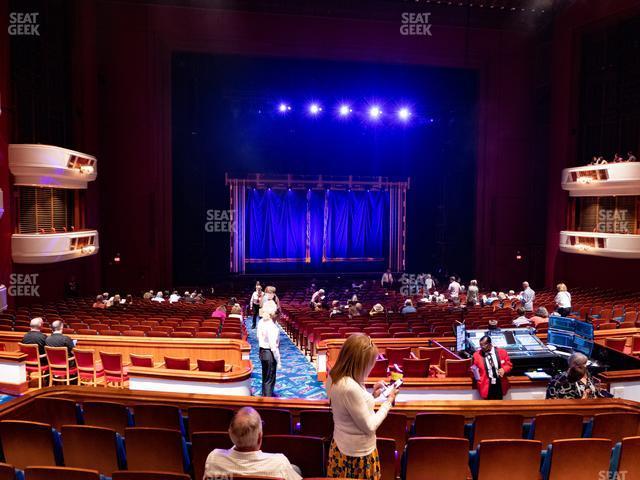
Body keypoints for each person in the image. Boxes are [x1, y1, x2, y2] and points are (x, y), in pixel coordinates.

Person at [326, 334, 397, 480]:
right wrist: (388, 401)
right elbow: (370, 426)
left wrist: (373, 395)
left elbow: (351, 407)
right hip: (357, 454)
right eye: (370, 363)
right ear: (360, 363)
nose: (371, 367)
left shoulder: (335, 375)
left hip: (341, 445)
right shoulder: (350, 387)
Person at [203, 407, 302, 480]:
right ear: (260, 437)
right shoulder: (280, 463)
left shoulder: (213, 458)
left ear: (230, 434)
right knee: (295, 469)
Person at [546, 352, 610, 399]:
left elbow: (595, 390)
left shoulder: (586, 373)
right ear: (573, 365)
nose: (585, 366)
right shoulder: (563, 382)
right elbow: (571, 407)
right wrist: (584, 397)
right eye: (583, 365)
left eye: (585, 364)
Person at [472, 335, 512, 400]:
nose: (482, 347)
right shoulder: (476, 355)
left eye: (484, 345)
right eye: (481, 345)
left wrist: (504, 370)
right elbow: (474, 369)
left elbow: (508, 365)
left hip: (499, 384)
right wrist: (478, 379)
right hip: (485, 385)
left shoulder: (502, 352)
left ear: (490, 344)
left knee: (499, 406)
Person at [257, 312, 280, 397]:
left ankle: (264, 395)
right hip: (269, 353)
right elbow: (273, 346)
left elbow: (258, 336)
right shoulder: (272, 327)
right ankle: (268, 401)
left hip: (262, 351)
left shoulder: (261, 322)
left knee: (265, 376)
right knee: (269, 379)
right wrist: (278, 360)